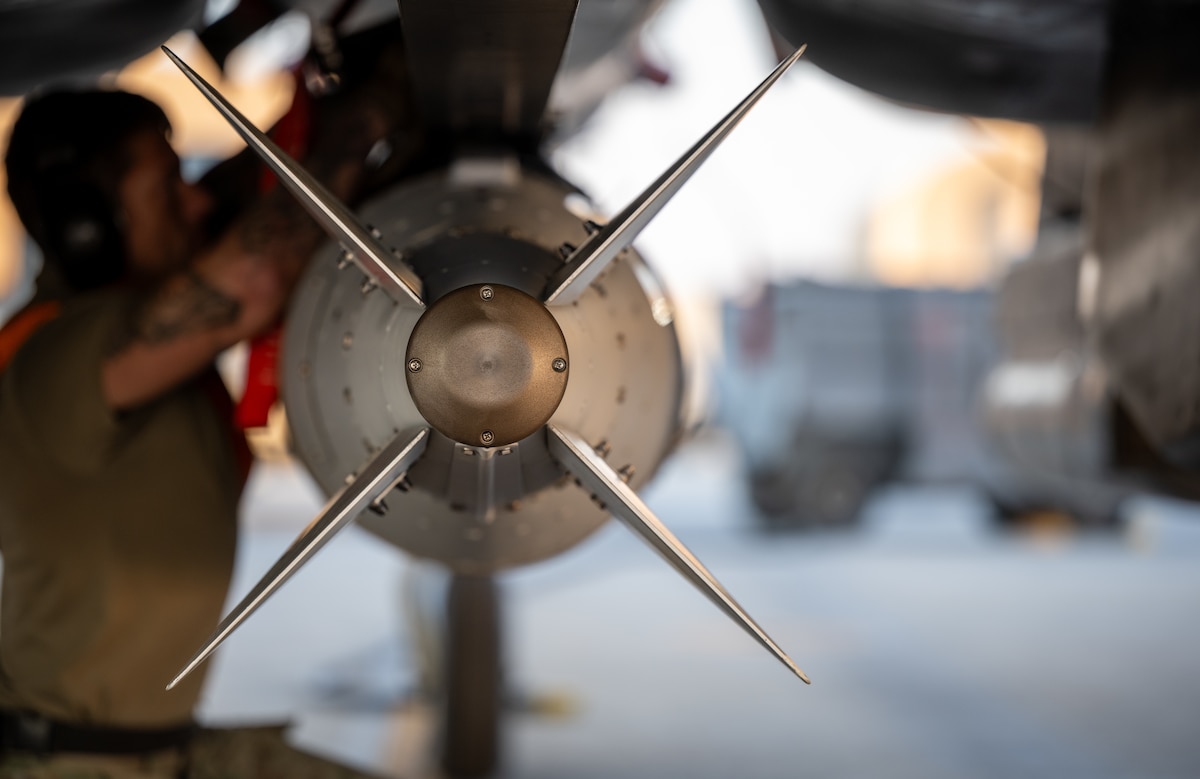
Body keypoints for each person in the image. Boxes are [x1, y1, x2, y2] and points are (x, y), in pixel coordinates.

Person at [0, 40, 413, 779]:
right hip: (73, 765)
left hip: (168, 752)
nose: (194, 204)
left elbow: (244, 201)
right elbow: (255, 272)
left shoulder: (132, 334)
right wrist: (372, 109)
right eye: (168, 188)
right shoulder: (59, 361)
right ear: (89, 227)